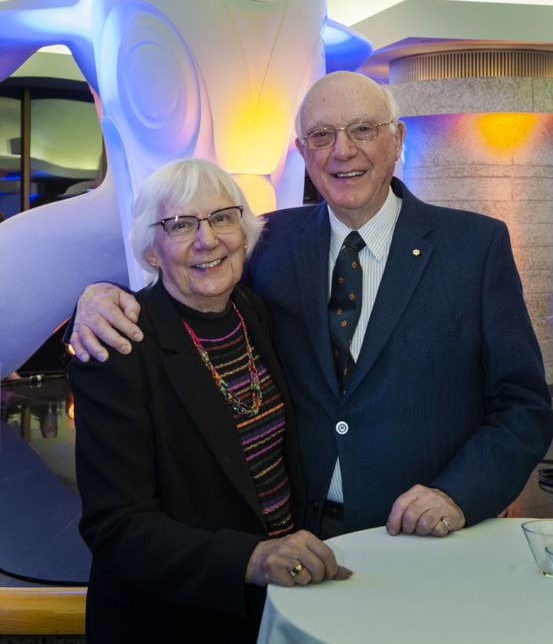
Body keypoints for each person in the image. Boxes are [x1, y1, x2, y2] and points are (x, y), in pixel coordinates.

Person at [70, 72, 553, 542]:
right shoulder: (269, 242)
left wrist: (459, 494)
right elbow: (195, 293)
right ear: (303, 153)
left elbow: (523, 405)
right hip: (298, 538)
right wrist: (101, 297)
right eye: (321, 136)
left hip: (429, 540)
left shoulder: (474, 247)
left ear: (398, 139)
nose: (343, 151)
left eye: (363, 129)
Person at [68, 158, 350, 644]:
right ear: (152, 251)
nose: (207, 240)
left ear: (244, 232)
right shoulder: (119, 348)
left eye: (222, 218)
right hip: (177, 620)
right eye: (180, 225)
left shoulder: (253, 312)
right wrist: (252, 558)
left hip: (276, 601)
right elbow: (117, 528)